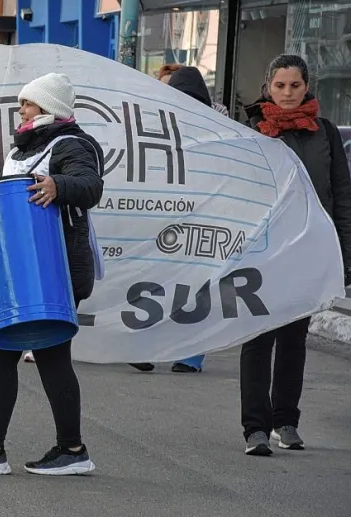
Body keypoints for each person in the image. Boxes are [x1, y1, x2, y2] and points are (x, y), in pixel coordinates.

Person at [0, 72, 103, 476]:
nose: (21, 110)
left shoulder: (71, 143)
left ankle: (6, 450)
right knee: (20, 354)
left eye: (28, 104)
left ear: (49, 108)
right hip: (20, 267)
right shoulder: (27, 146)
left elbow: (90, 185)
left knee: (28, 354)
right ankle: (55, 449)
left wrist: (58, 184)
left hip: (53, 267)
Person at [239, 54, 351, 456]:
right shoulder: (252, 130)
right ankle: (255, 427)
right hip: (263, 252)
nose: (287, 94)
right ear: (268, 87)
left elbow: (342, 196)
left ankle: (285, 421)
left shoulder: (325, 132)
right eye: (280, 86)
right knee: (257, 338)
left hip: (309, 250)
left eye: (296, 86)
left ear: (308, 87)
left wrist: (344, 254)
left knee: (293, 339)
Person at [128, 65, 229, 374]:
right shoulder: (158, 126)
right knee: (152, 281)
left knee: (196, 288)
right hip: (164, 215)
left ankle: (190, 354)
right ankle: (144, 347)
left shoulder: (219, 131)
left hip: (203, 219)